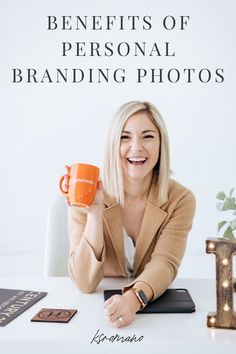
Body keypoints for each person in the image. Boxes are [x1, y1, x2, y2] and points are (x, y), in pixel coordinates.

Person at [64, 101, 196, 328]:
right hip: (91, 316)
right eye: (125, 137)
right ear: (112, 145)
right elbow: (85, 283)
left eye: (147, 136)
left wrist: (134, 299)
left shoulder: (180, 199)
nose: (136, 147)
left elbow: (165, 263)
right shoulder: (85, 192)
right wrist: (94, 213)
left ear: (161, 144)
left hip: (151, 316)